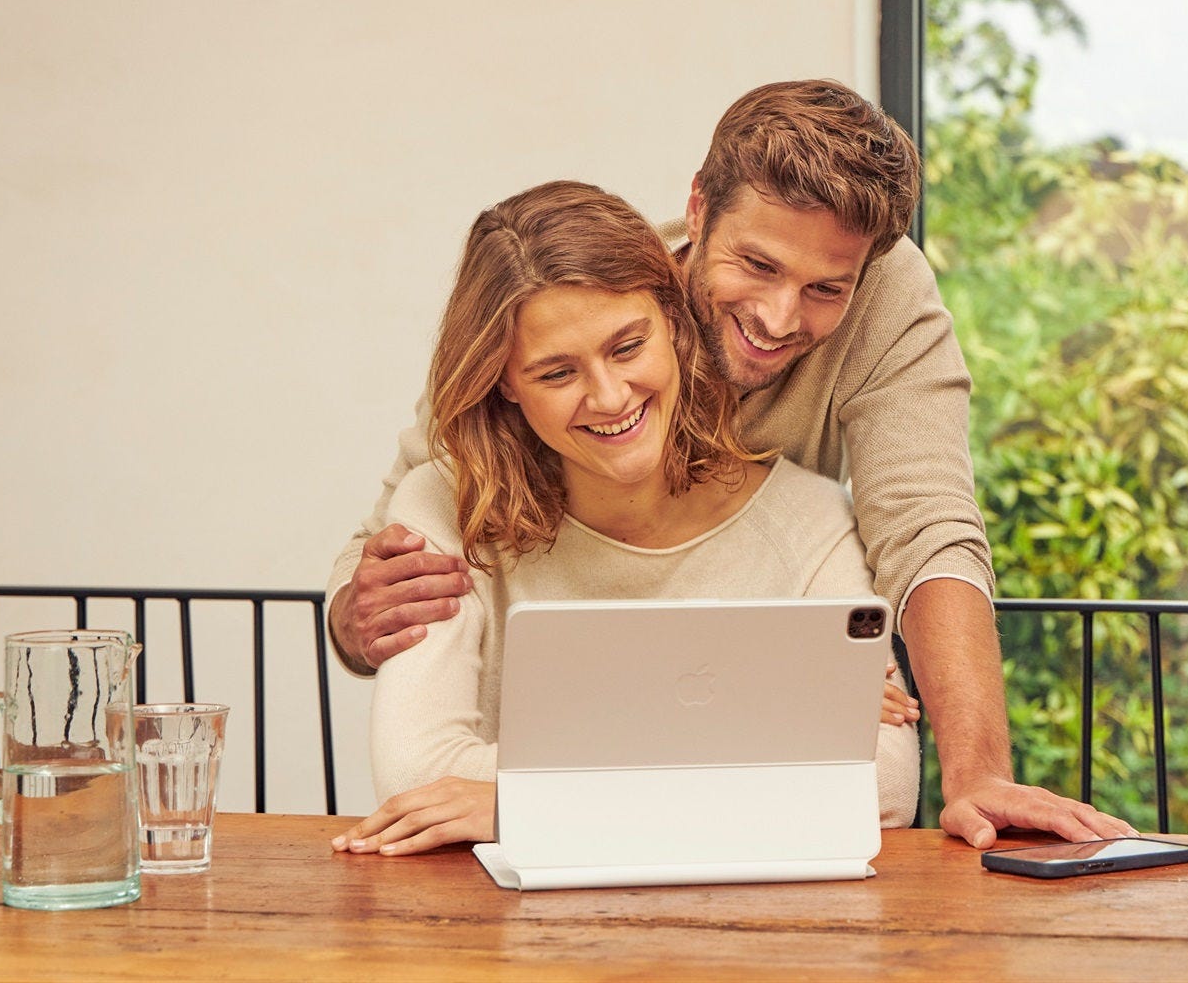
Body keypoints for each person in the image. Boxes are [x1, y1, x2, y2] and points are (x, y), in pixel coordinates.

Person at [327, 80, 1135, 848]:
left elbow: (927, 529)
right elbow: (394, 546)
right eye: (756, 266)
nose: (779, 318)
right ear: (696, 212)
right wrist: (769, 715)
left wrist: (975, 774)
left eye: (826, 287)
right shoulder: (572, 304)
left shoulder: (822, 482)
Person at [334, 181, 920, 854]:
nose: (610, 398)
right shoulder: (443, 507)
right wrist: (763, 718)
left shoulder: (810, 521)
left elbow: (879, 790)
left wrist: (519, 807)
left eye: (626, 348)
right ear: (504, 380)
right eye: (556, 373)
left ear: (673, 324)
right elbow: (415, 777)